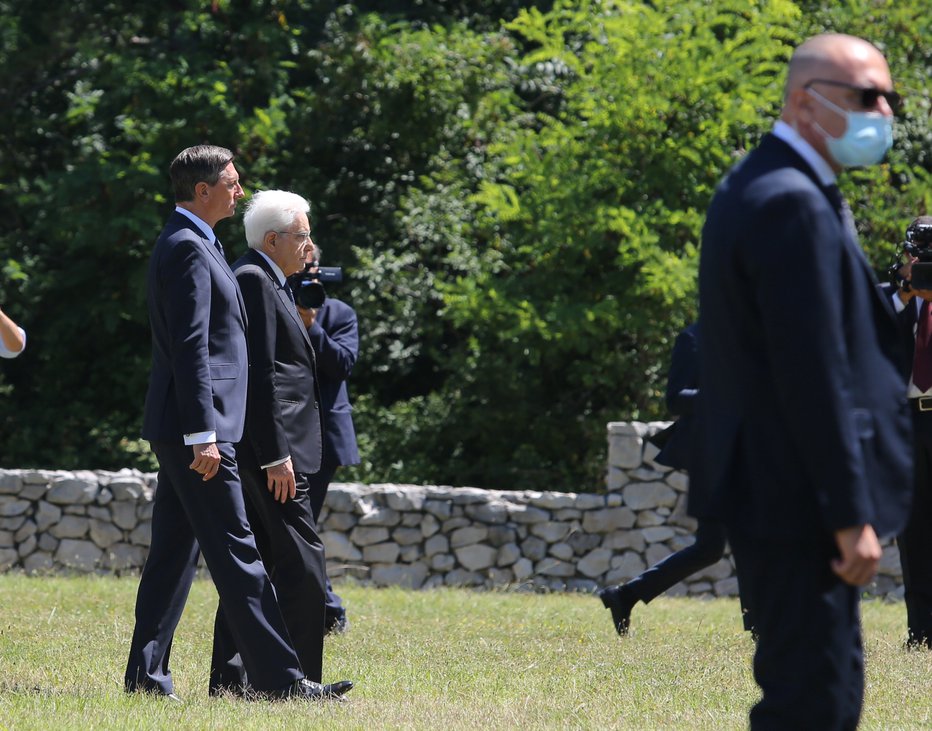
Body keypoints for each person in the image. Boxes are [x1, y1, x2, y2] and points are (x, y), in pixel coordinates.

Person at [693, 34, 913, 729]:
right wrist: (850, 513)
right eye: (863, 96)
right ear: (803, 101)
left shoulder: (769, 183)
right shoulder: (788, 200)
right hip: (798, 498)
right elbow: (812, 373)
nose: (882, 111)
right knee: (811, 704)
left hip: (779, 489)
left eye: (887, 97)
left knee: (823, 692)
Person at [124, 146, 349, 702]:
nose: (240, 191)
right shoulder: (186, 247)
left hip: (193, 427)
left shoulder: (201, 242)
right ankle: (283, 683)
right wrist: (203, 433)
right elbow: (191, 346)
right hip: (198, 432)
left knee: (173, 557)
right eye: (231, 182)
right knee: (239, 554)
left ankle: (145, 679)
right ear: (202, 191)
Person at [209, 189, 352, 695]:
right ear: (273, 239)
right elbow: (261, 376)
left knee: (264, 565)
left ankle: (231, 682)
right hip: (273, 453)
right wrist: (275, 455)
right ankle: (296, 683)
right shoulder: (254, 278)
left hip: (281, 450)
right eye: (303, 235)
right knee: (303, 565)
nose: (309, 246)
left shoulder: (272, 278)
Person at [598, 323, 754, 636]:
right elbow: (676, 398)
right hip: (709, 453)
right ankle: (760, 629)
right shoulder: (694, 338)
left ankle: (625, 595)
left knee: (711, 547)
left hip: (745, 450)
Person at [296, 243, 360, 634]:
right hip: (286, 430)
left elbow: (343, 364)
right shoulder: (275, 304)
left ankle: (328, 607)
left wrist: (311, 325)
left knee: (302, 523)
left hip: (325, 436)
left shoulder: (339, 313)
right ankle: (326, 606)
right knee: (298, 524)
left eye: (312, 267)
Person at [884, 215, 932, 650]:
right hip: (907, 420)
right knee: (913, 528)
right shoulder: (892, 300)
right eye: (915, 255)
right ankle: (920, 631)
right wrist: (905, 294)